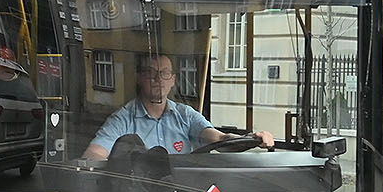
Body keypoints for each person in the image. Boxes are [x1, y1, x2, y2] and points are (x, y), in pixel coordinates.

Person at [83, 52, 275, 160]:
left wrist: (251, 139)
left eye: (165, 73)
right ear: (139, 78)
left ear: (173, 80)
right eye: (151, 73)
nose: (159, 79)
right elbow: (95, 154)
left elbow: (220, 139)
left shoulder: (185, 115)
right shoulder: (123, 119)